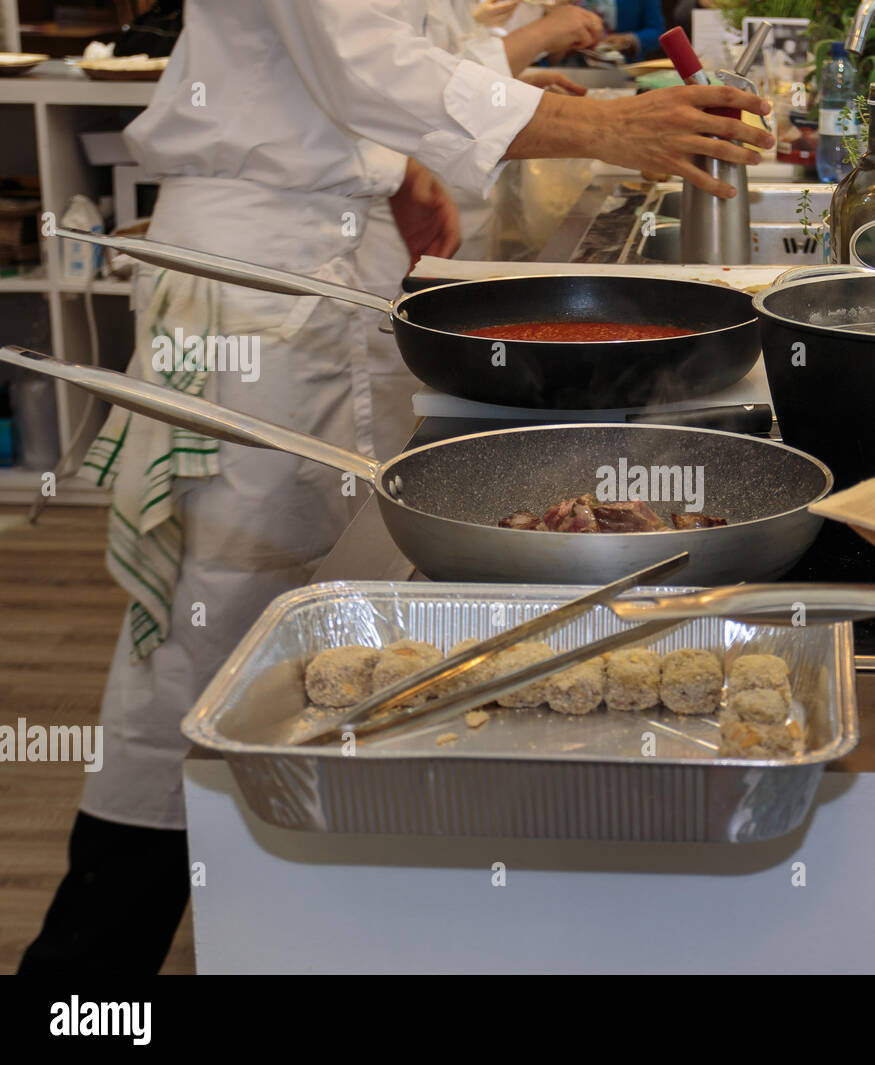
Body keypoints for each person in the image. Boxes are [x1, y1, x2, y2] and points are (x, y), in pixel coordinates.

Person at [18, 0, 771, 976]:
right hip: (262, 276)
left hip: (336, 263)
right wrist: (603, 128)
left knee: (312, 606)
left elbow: (410, 55)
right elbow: (363, 65)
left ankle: (291, 913)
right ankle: (83, 969)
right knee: (210, 629)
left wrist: (474, 120)